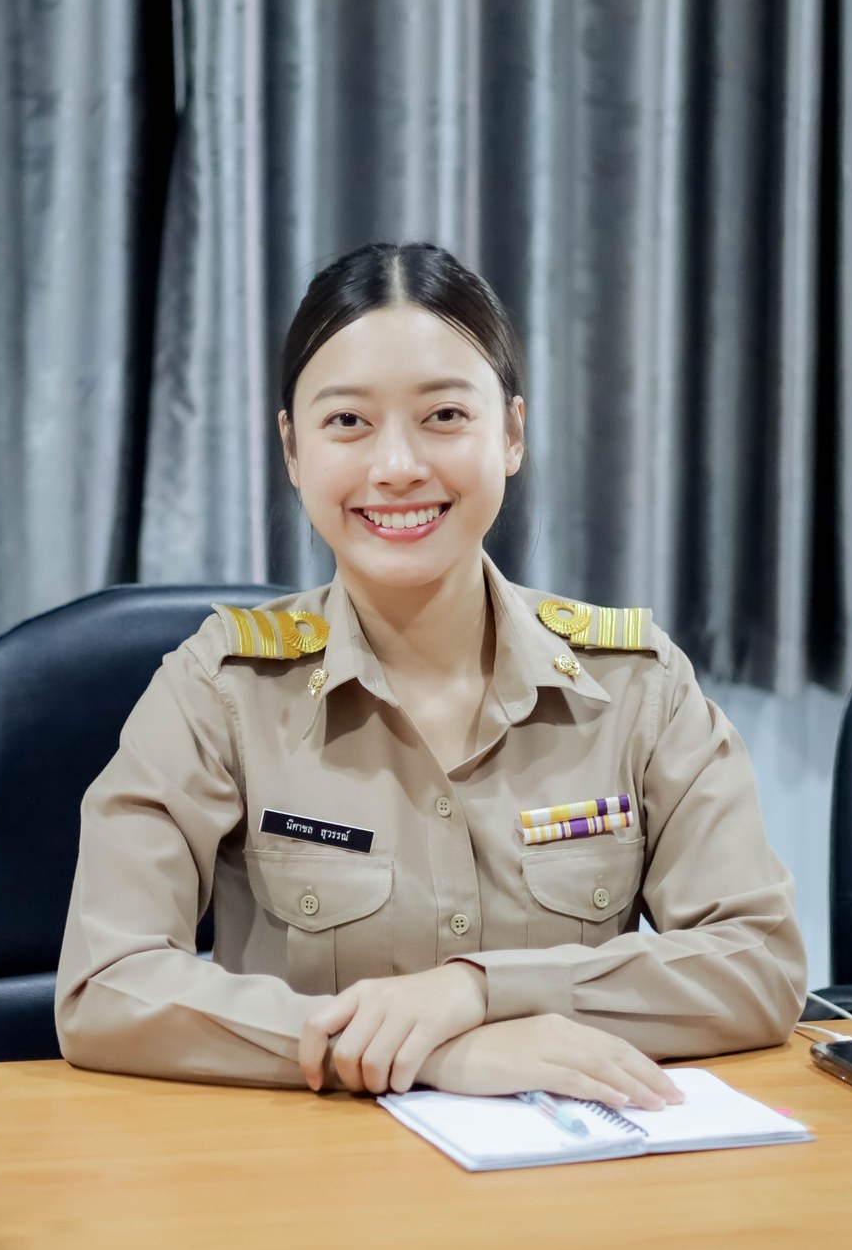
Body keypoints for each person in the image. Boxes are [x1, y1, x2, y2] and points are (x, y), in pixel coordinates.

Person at [55, 241, 805, 1111]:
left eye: (445, 415)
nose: (398, 466)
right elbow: (106, 985)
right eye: (348, 422)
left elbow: (759, 962)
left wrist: (477, 991)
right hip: (310, 1167)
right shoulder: (220, 687)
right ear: (292, 449)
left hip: (571, 1171)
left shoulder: (636, 685)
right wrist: (423, 1051)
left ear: (512, 434)